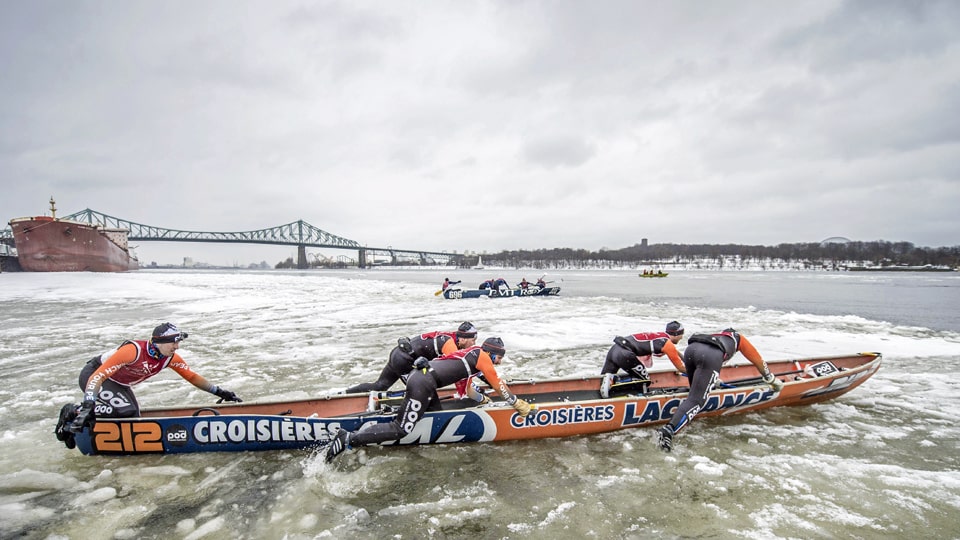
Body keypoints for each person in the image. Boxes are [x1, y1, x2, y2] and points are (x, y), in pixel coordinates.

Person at [325, 337, 533, 462]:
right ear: (493, 353)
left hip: (425, 379)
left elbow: (467, 388)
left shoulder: (471, 354)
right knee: (401, 427)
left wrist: (482, 399)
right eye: (500, 357)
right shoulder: (483, 356)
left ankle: (420, 434)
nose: (500, 361)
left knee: (436, 416)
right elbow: (498, 384)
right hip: (422, 383)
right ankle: (349, 438)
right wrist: (516, 403)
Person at [56, 323, 242, 442]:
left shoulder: (169, 357)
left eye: (178, 343)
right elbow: (98, 376)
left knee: (134, 418)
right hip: (94, 376)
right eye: (173, 343)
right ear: (159, 342)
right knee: (125, 411)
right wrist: (89, 404)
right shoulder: (133, 351)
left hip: (118, 383)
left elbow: (192, 377)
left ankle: (95, 427)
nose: (176, 347)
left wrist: (220, 392)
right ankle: (74, 412)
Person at [656, 328, 784, 452]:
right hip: (710, 356)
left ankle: (680, 415)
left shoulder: (717, 336)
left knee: (694, 393)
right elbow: (758, 361)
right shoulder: (739, 339)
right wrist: (771, 379)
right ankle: (668, 431)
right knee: (696, 400)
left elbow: (701, 359)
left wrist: (711, 379)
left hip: (691, 350)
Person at [343, 322, 478, 393]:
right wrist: (473, 390)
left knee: (380, 385)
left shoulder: (450, 337)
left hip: (398, 354)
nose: (475, 343)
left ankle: (344, 393)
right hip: (404, 361)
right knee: (420, 390)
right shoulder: (450, 344)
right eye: (474, 340)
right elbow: (456, 371)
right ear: (464, 339)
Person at [600, 321, 686, 398]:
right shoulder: (668, 345)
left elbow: (675, 352)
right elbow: (680, 368)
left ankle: (608, 382)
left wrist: (685, 359)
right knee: (644, 380)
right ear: (676, 334)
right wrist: (694, 373)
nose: (682, 337)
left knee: (604, 378)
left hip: (614, 349)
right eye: (681, 334)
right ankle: (616, 382)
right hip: (625, 354)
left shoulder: (660, 336)